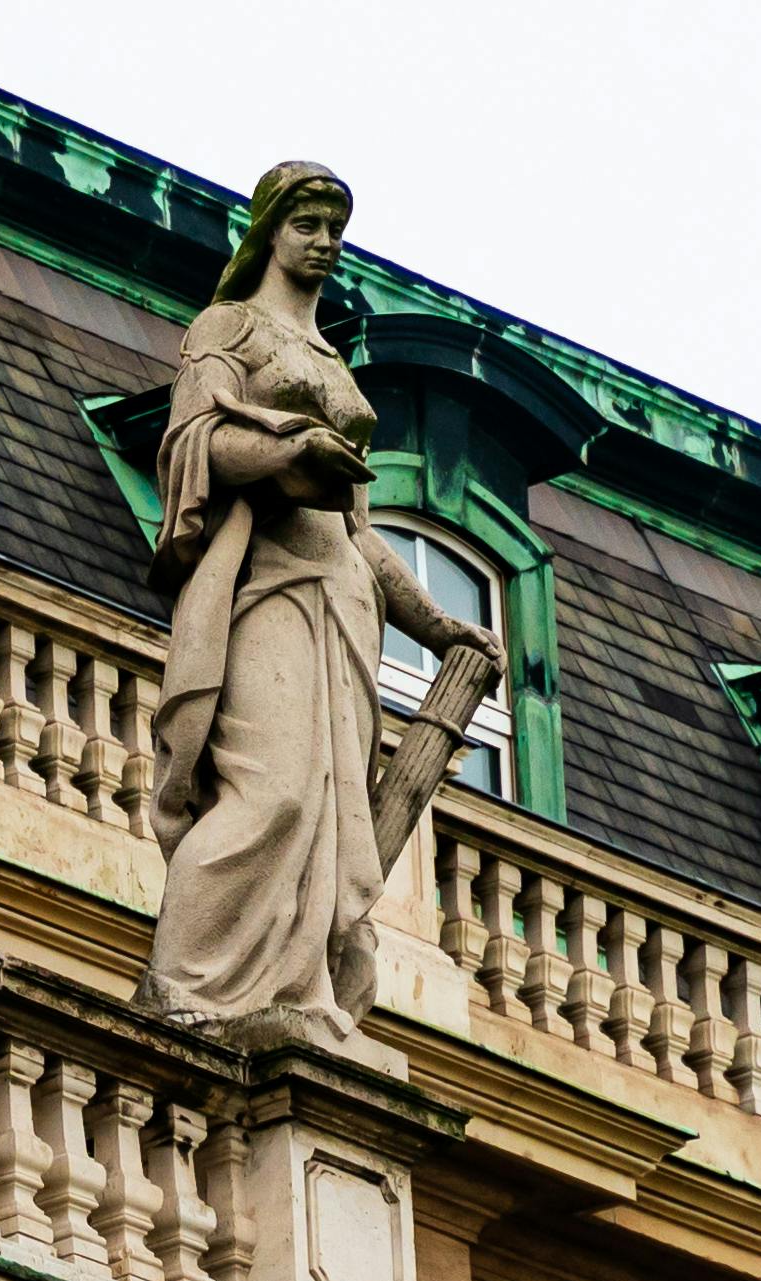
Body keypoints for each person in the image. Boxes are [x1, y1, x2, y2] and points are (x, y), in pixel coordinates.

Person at [138, 165, 486, 1049]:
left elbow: (359, 535)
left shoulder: (332, 358)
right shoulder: (228, 327)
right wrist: (287, 454)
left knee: (333, 818)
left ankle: (299, 991)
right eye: (307, 223)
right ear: (269, 231)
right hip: (268, 587)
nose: (325, 241)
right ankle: (183, 988)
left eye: (336, 227)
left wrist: (436, 623)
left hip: (343, 602)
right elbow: (192, 445)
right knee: (275, 794)